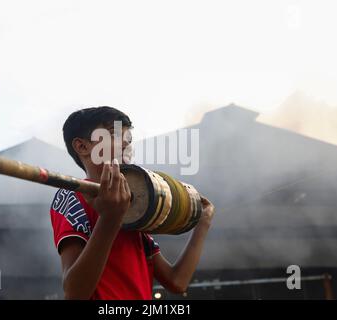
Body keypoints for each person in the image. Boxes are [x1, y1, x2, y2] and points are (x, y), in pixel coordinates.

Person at [49, 106, 215, 300]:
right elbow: (75, 293)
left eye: (128, 140)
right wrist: (110, 218)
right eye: (114, 135)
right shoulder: (72, 196)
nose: (125, 144)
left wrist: (203, 223)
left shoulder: (134, 206)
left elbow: (177, 282)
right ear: (82, 147)